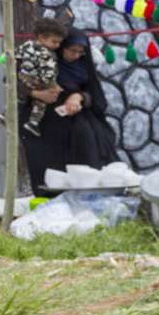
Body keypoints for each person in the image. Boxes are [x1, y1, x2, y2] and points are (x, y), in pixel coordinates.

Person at [19, 27, 117, 197]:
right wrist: (37, 94)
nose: (76, 56)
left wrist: (78, 97)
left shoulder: (82, 66)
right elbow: (14, 82)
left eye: (81, 52)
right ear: (61, 47)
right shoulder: (42, 60)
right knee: (49, 171)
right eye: (72, 51)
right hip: (45, 124)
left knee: (87, 153)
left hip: (76, 121)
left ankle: (88, 200)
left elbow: (95, 94)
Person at [16, 17, 67, 135]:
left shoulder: (27, 44)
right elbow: (48, 74)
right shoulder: (47, 54)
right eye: (54, 42)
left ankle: (6, 114)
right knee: (41, 102)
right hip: (38, 81)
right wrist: (53, 86)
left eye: (59, 42)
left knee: (19, 99)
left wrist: (1, 59)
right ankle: (33, 122)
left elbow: (16, 53)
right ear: (41, 37)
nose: (58, 45)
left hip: (23, 76)